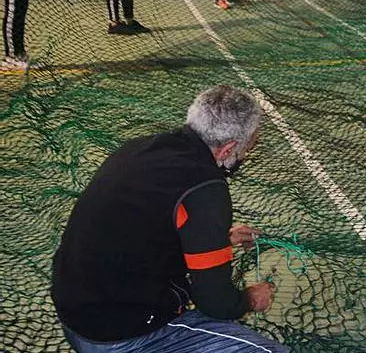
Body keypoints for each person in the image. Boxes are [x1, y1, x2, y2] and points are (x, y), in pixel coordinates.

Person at [52, 86, 287, 352]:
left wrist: (219, 239)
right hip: (122, 335)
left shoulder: (139, 148)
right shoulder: (205, 188)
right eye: (247, 148)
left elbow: (142, 230)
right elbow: (216, 302)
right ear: (228, 149)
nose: (245, 155)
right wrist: (250, 299)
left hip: (75, 313)